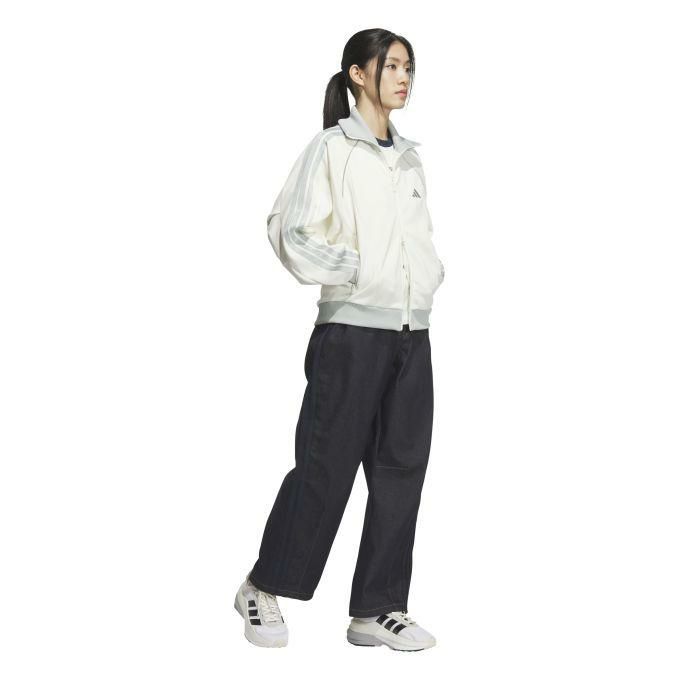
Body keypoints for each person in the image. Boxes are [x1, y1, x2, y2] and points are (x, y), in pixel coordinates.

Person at [234, 28, 445, 651]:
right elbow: (288, 228)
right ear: (359, 73)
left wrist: (426, 277)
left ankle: (377, 608)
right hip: (350, 334)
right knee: (325, 470)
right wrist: (354, 271)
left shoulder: (410, 157)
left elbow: (415, 242)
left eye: (409, 67)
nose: (404, 77)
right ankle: (263, 586)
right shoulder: (332, 148)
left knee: (401, 474)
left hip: (412, 335)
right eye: (393, 65)